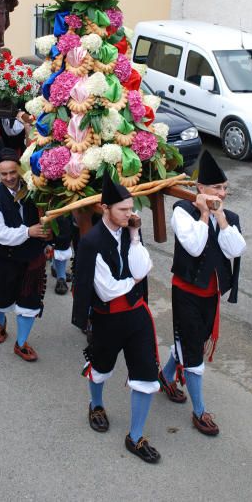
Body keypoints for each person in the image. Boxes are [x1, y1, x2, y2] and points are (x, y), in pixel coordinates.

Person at [72, 172, 161, 464]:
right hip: (107, 318)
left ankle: (135, 437)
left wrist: (135, 236)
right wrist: (132, 281)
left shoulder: (131, 230)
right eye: (122, 209)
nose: (129, 214)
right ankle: (96, 405)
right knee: (100, 368)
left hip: (137, 316)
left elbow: (143, 266)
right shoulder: (91, 241)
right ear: (104, 208)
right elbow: (107, 290)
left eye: (131, 208)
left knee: (146, 375)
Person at [159, 149, 246, 436]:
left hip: (212, 295)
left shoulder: (229, 216)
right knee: (193, 350)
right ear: (200, 189)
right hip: (186, 292)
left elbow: (236, 250)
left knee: (191, 340)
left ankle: (166, 374)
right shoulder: (182, 212)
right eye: (216, 188)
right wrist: (205, 213)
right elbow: (195, 247)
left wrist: (220, 218)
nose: (222, 192)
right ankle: (199, 411)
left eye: (224, 188)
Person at [0, 148, 51, 361]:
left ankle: (21, 343)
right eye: (4, 174)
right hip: (6, 257)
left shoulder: (34, 188)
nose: (10, 178)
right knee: (1, 298)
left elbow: (48, 215)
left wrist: (49, 235)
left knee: (30, 300)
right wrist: (28, 232)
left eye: (13, 172)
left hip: (32, 256)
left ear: (20, 169)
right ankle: (0, 322)